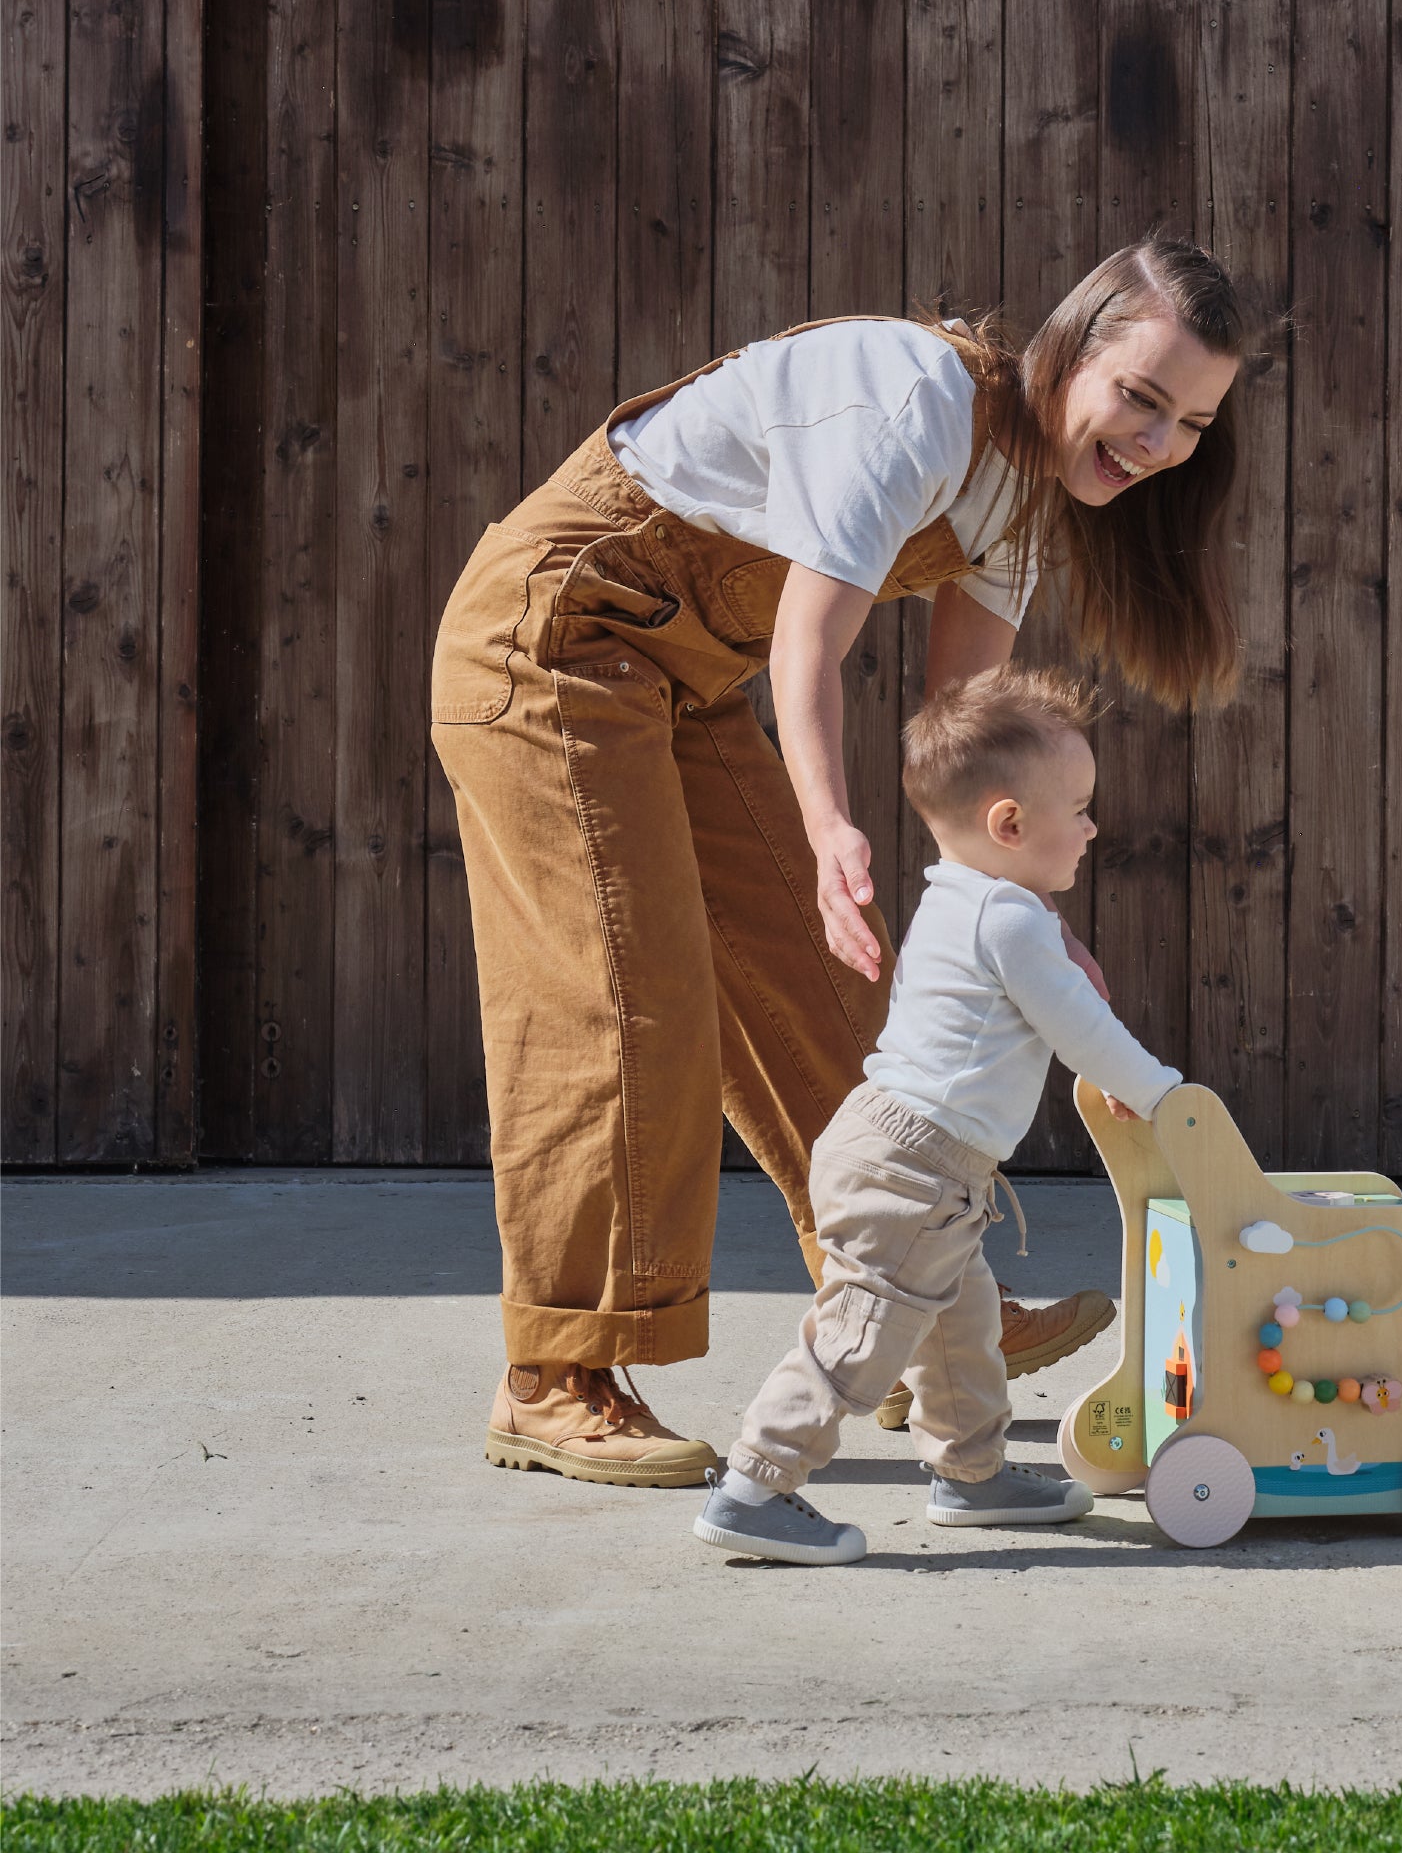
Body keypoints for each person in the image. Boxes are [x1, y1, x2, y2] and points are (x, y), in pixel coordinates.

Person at [429, 234, 1245, 1486]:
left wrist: (1027, 910)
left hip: (678, 681)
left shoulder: (1021, 500)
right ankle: (556, 1373)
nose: (1155, 441)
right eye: (1140, 396)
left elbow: (966, 734)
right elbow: (807, 641)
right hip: (550, 643)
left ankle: (916, 1309)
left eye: (1188, 422)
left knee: (827, 986)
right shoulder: (915, 404)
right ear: (1068, 348)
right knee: (626, 997)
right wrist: (827, 828)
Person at [695, 667, 1181, 1564]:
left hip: (911, 1158)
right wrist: (1161, 1094)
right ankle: (754, 1487)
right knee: (863, 1334)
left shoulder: (958, 896)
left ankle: (972, 1472)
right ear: (1010, 824)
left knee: (960, 1330)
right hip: (914, 1168)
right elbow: (1080, 1025)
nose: (1091, 827)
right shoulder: (1011, 921)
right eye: (1079, 809)